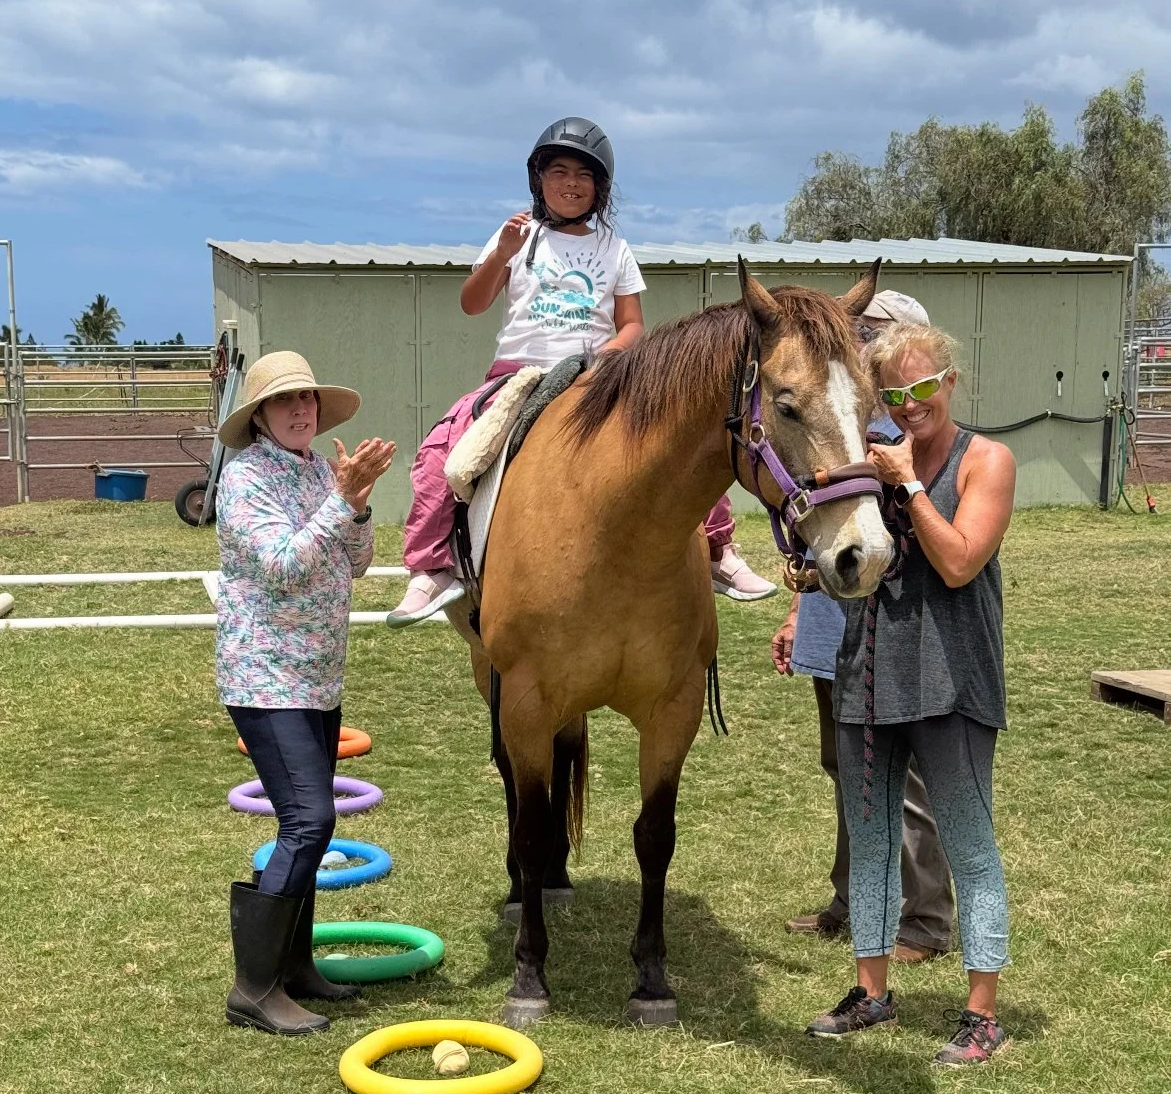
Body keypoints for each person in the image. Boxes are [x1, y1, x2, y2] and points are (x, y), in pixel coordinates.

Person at [387, 116, 774, 625]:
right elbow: (472, 303)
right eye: (559, 171)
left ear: (600, 188)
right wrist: (501, 254)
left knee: (679, 440)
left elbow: (632, 324)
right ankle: (432, 569)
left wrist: (611, 355)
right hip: (518, 374)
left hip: (597, 375)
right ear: (539, 180)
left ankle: (719, 552)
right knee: (445, 449)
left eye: (583, 175)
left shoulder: (614, 248)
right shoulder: (516, 237)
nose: (571, 184)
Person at [805, 323, 1016, 1065]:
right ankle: (872, 992)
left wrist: (910, 483)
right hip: (868, 675)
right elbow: (840, 545)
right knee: (871, 847)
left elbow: (958, 560)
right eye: (893, 394)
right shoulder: (870, 459)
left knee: (968, 844)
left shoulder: (986, 460)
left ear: (951, 381)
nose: (909, 405)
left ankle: (982, 1013)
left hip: (951, 680)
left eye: (922, 388)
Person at [214, 351, 395, 1035]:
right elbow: (285, 566)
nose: (300, 410)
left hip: (317, 678)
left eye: (308, 400)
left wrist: (358, 503)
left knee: (312, 829)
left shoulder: (322, 469)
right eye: (285, 401)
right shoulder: (244, 480)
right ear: (258, 415)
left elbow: (356, 560)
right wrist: (340, 503)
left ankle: (292, 969)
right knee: (309, 820)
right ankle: (253, 987)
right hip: (266, 677)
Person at [774, 290, 954, 962]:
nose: (865, 348)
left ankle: (926, 919)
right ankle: (851, 898)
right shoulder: (843, 427)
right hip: (833, 628)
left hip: (892, 634)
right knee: (846, 766)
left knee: (903, 778)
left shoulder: (908, 444)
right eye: (860, 336)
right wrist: (799, 610)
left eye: (876, 337)